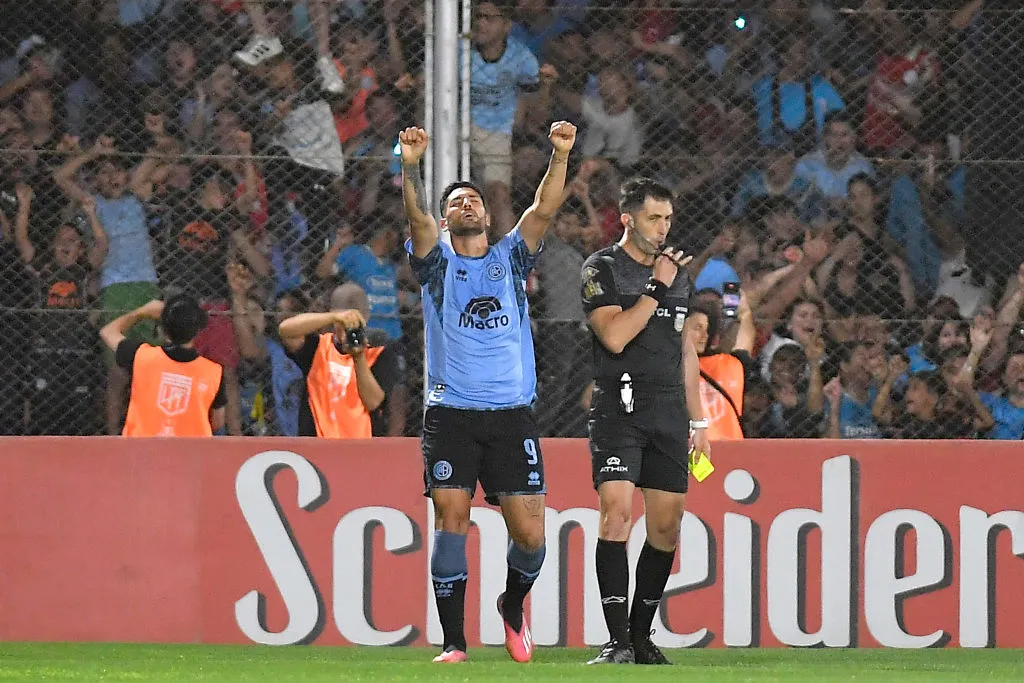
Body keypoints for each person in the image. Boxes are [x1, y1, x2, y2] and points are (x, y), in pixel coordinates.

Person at [399, 120, 578, 664]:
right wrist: (409, 165)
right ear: (446, 216)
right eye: (456, 202)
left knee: (531, 536)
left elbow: (544, 209)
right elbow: (416, 216)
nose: (467, 206)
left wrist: (560, 155)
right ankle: (454, 641)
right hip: (450, 413)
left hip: (510, 416)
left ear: (488, 213)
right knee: (452, 519)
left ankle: (511, 601)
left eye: (474, 200)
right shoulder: (436, 264)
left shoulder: (510, 257)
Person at [580, 177, 710, 666]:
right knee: (616, 512)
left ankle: (640, 637)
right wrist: (656, 285)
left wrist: (699, 425)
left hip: (669, 413)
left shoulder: (677, 274)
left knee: (667, 526)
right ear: (627, 219)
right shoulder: (602, 269)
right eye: (655, 218)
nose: (663, 228)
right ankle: (615, 641)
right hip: (619, 408)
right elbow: (614, 336)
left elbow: (685, 351)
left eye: (669, 219)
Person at [277, 283, 403, 439]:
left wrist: (358, 357)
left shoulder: (379, 353)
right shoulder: (318, 348)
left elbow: (374, 402)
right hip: (317, 443)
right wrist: (334, 317)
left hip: (361, 447)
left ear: (366, 317)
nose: (346, 327)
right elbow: (285, 330)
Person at [99, 296, 227, 437]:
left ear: (164, 331)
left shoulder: (141, 357)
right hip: (190, 454)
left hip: (141, 451)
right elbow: (217, 422)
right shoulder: (214, 372)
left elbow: (108, 331)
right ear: (197, 331)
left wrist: (141, 312)